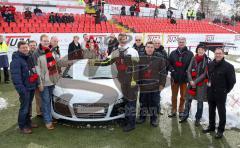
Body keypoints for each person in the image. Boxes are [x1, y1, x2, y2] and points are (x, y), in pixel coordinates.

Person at [94, 33, 139, 132]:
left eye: (124, 39)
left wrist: (134, 81)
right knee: (125, 101)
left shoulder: (133, 51)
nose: (122, 41)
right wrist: (94, 62)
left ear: (126, 40)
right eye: (120, 39)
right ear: (118, 40)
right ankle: (127, 119)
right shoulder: (115, 52)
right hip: (121, 81)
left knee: (131, 102)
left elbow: (136, 67)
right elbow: (107, 62)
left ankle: (132, 124)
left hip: (131, 81)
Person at [203, 48, 236, 139]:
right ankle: (211, 126)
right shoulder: (210, 64)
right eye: (216, 53)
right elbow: (208, 76)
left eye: (220, 53)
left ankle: (220, 130)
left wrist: (225, 90)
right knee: (211, 110)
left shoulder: (229, 66)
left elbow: (232, 82)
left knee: (221, 112)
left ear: (223, 54)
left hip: (221, 94)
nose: (218, 55)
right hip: (210, 92)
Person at [10, 41, 39, 134]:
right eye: (23, 48)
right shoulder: (16, 60)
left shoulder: (28, 57)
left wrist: (34, 80)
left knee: (28, 106)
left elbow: (31, 72)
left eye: (26, 47)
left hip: (30, 87)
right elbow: (16, 77)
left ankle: (28, 122)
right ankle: (22, 126)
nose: (25, 49)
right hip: (24, 89)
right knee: (24, 108)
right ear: (18, 48)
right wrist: (22, 90)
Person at [136, 41, 167, 127]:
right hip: (143, 85)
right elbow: (137, 71)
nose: (149, 49)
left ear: (154, 48)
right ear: (145, 48)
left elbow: (163, 72)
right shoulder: (140, 57)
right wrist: (137, 83)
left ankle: (154, 119)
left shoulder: (160, 58)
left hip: (155, 86)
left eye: (151, 47)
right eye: (148, 47)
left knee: (154, 103)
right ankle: (142, 117)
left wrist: (162, 84)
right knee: (143, 102)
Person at [179, 44, 210, 126]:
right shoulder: (193, 58)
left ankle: (197, 119)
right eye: (199, 49)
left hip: (201, 85)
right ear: (197, 50)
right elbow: (188, 70)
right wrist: (190, 80)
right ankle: (185, 116)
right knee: (188, 100)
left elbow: (204, 74)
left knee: (200, 102)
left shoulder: (207, 60)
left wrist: (195, 82)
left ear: (204, 51)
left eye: (202, 49)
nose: (200, 51)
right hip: (191, 82)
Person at [35, 34, 60, 130]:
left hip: (52, 81)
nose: (46, 42)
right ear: (40, 41)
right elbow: (37, 71)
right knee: (45, 102)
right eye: (44, 41)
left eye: (47, 41)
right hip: (44, 83)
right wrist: (39, 83)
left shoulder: (50, 51)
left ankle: (49, 117)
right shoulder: (37, 53)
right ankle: (48, 121)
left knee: (50, 101)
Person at [168, 37, 193, 118]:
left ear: (185, 42)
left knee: (183, 96)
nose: (181, 43)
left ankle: (181, 110)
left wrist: (187, 73)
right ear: (177, 43)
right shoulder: (173, 53)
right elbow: (169, 64)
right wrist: (172, 71)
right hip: (175, 78)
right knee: (174, 95)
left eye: (182, 42)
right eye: (180, 42)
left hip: (184, 79)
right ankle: (174, 110)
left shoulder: (190, 54)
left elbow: (192, 65)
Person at [153, 39, 168, 114]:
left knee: (157, 94)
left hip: (159, 77)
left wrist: (164, 77)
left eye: (158, 43)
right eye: (155, 43)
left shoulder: (164, 52)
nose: (157, 44)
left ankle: (157, 109)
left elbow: (166, 65)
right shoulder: (150, 50)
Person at [28, 40, 42, 117]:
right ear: (28, 46)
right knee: (29, 99)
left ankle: (39, 112)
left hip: (36, 80)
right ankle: (29, 115)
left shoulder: (37, 54)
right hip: (29, 80)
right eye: (31, 45)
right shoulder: (26, 55)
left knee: (38, 98)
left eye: (34, 45)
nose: (33, 46)